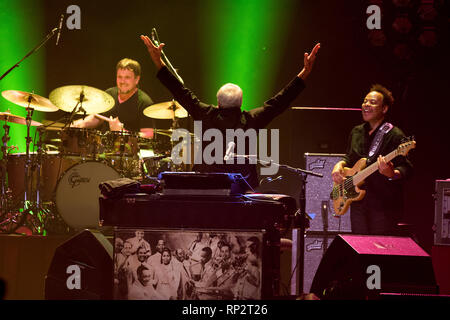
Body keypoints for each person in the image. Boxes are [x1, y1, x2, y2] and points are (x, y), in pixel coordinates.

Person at [140, 35, 320, 188]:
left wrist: (158, 60)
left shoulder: (206, 114)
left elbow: (179, 91)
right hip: (243, 186)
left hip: (207, 185)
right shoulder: (251, 119)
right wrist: (305, 72)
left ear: (218, 102)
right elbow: (281, 101)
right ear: (241, 103)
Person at [331, 84, 413, 235]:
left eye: (373, 102)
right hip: (357, 203)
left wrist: (391, 173)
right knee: (360, 249)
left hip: (383, 205)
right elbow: (349, 158)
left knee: (380, 251)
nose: (366, 105)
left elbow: (407, 168)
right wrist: (338, 165)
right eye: (365, 101)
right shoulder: (356, 132)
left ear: (384, 109)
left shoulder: (395, 135)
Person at [71, 58, 155, 132]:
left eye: (127, 77)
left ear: (137, 79)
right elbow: (97, 118)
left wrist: (121, 131)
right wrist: (79, 124)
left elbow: (148, 134)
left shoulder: (144, 103)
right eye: (119, 77)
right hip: (104, 147)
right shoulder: (109, 94)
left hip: (130, 149)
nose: (122, 81)